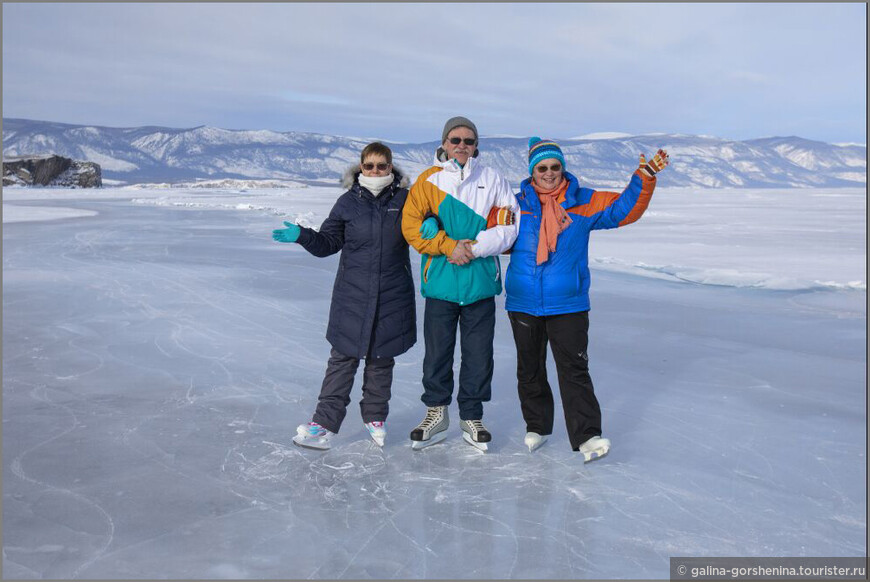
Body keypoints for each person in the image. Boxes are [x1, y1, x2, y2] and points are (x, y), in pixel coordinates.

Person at [505, 137, 670, 461]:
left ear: (562, 168)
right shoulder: (516, 205)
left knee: (574, 369)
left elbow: (624, 209)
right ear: (531, 171)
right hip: (523, 300)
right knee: (529, 368)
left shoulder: (583, 201)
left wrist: (644, 178)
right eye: (542, 168)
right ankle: (537, 425)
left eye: (555, 167)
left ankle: (588, 435)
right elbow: (486, 229)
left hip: (568, 302)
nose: (549, 173)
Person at [271, 142, 416, 450]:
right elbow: (328, 243)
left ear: (391, 168)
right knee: (342, 360)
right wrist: (303, 235)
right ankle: (322, 426)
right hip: (352, 296)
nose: (375, 171)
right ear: (360, 168)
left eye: (382, 166)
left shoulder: (406, 200)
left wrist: (431, 223)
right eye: (369, 166)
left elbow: (420, 233)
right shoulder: (347, 203)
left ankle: (376, 418)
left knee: (381, 359)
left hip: (392, 295)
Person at [402, 116, 520, 452]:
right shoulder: (427, 181)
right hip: (440, 283)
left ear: (476, 146)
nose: (462, 146)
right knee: (438, 354)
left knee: (479, 355)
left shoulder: (493, 179)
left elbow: (510, 223)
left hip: (480, 283)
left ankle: (471, 414)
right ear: (443, 143)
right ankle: (436, 412)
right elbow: (410, 227)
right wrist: (446, 245)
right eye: (455, 140)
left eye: (468, 141)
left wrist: (473, 248)